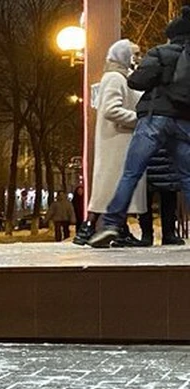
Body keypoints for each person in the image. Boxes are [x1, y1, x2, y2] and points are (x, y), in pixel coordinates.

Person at [89, 7, 190, 248]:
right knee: (187, 178)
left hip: (154, 119)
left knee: (131, 173)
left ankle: (112, 224)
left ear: (171, 36)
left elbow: (137, 81)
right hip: (183, 122)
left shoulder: (160, 52)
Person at [74, 39, 147, 245]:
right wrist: (139, 120)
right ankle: (93, 229)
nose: (138, 58)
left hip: (119, 142)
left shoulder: (120, 77)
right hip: (118, 142)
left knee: (110, 189)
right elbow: (111, 109)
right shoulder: (115, 78)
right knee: (112, 187)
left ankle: (100, 229)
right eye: (135, 54)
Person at [139, 147, 185, 245]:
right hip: (165, 159)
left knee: (148, 202)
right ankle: (167, 234)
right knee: (165, 201)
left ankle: (148, 235)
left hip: (153, 158)